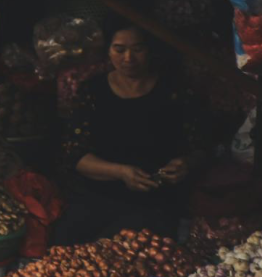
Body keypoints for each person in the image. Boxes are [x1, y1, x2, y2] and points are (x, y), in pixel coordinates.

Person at [56, 22, 207, 243]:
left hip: (155, 201)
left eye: (137, 49)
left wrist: (186, 164)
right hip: (97, 197)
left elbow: (201, 148)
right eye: (119, 49)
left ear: (150, 50)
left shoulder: (175, 91)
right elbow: (76, 156)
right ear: (108, 51)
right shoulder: (92, 91)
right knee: (65, 246)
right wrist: (121, 172)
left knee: (129, 252)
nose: (128, 58)